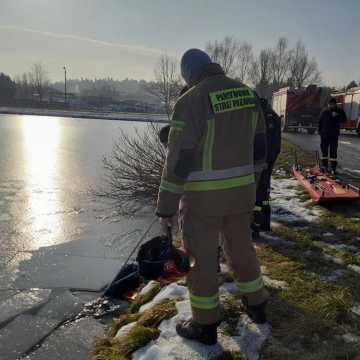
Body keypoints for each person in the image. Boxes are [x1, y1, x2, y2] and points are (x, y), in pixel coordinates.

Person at [156, 48, 269, 345]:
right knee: (242, 247)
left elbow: (178, 160)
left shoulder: (190, 101)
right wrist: (252, 186)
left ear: (188, 75)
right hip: (242, 193)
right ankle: (257, 305)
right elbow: (260, 149)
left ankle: (204, 325)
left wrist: (165, 206)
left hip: (203, 201)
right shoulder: (247, 94)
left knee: (201, 261)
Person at [253, 98, 281, 234]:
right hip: (267, 160)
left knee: (259, 194)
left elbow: (267, 143)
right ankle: (264, 223)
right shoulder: (271, 114)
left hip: (264, 161)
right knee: (264, 193)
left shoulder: (266, 117)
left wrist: (263, 161)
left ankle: (256, 226)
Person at [318, 98, 347, 174]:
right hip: (324, 135)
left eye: (332, 104)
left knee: (333, 152)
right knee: (324, 151)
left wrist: (337, 116)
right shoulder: (324, 111)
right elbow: (320, 122)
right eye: (329, 104)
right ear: (328, 104)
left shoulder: (339, 111)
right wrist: (320, 132)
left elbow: (344, 120)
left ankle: (333, 168)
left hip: (334, 135)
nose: (330, 105)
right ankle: (324, 166)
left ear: (335, 104)